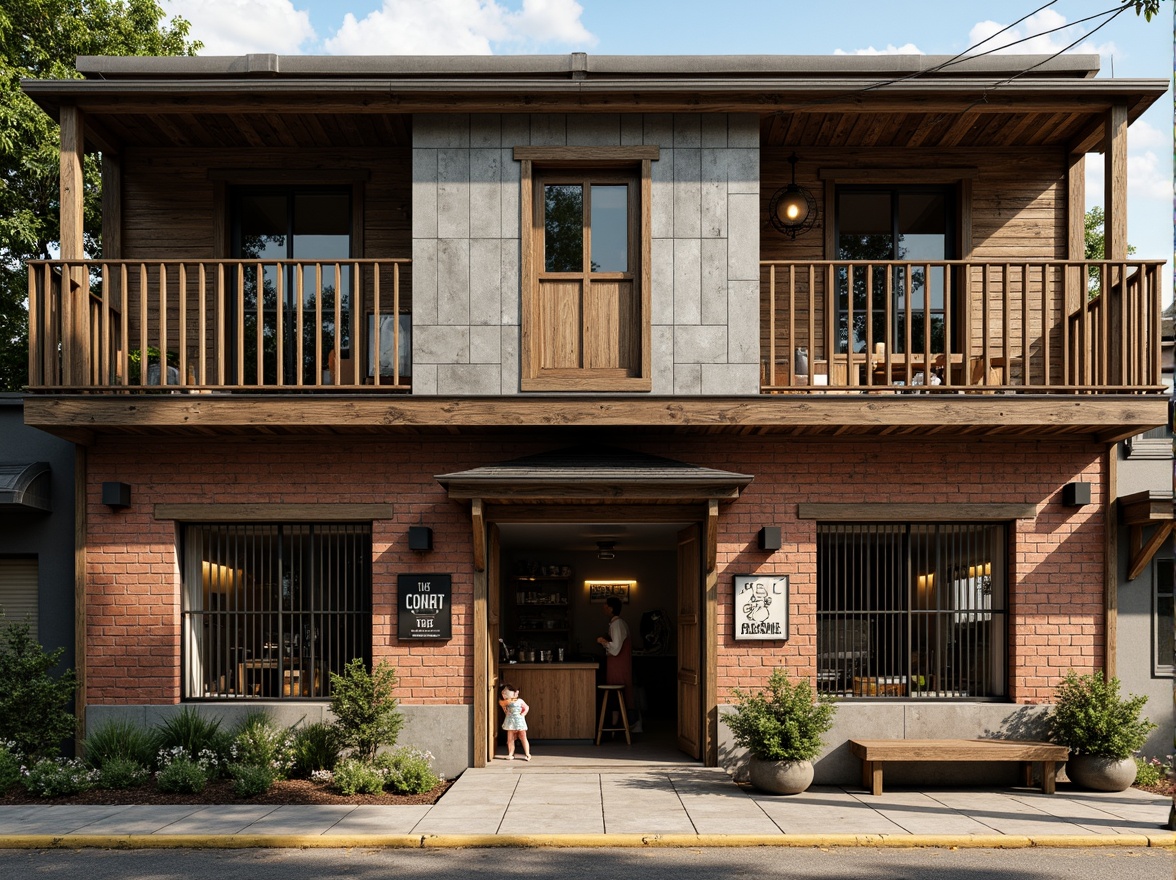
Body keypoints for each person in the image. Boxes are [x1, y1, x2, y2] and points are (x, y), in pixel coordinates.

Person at [596, 596, 641, 734]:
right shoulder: (618, 624)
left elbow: (615, 649)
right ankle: (620, 726)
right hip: (619, 666)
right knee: (620, 696)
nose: (603, 607)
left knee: (618, 695)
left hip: (618, 666)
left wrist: (603, 642)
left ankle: (619, 726)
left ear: (610, 608)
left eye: (605, 605)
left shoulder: (617, 625)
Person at [498, 682, 531, 760]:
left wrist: (523, 713)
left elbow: (526, 707)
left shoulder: (520, 701)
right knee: (510, 739)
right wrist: (506, 711)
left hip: (519, 721)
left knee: (523, 737)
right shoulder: (506, 702)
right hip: (510, 722)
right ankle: (510, 754)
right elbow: (503, 706)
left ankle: (527, 754)